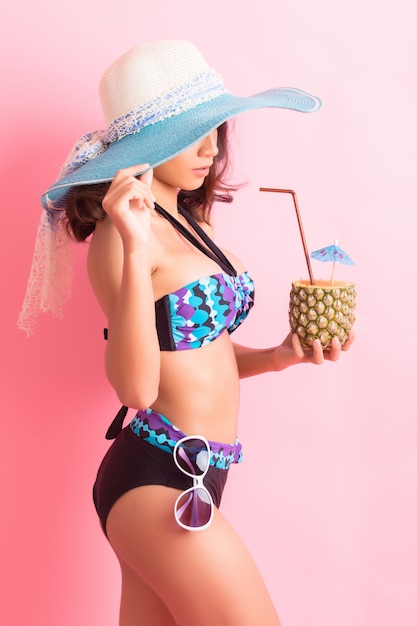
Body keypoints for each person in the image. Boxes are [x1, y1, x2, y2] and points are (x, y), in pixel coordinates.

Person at [20, 40, 353, 626]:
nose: (209, 148)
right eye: (189, 133)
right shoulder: (120, 239)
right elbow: (138, 389)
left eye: (215, 130)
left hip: (201, 474)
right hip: (158, 478)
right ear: (145, 147)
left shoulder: (196, 222)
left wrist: (278, 356)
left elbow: (200, 350)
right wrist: (134, 241)